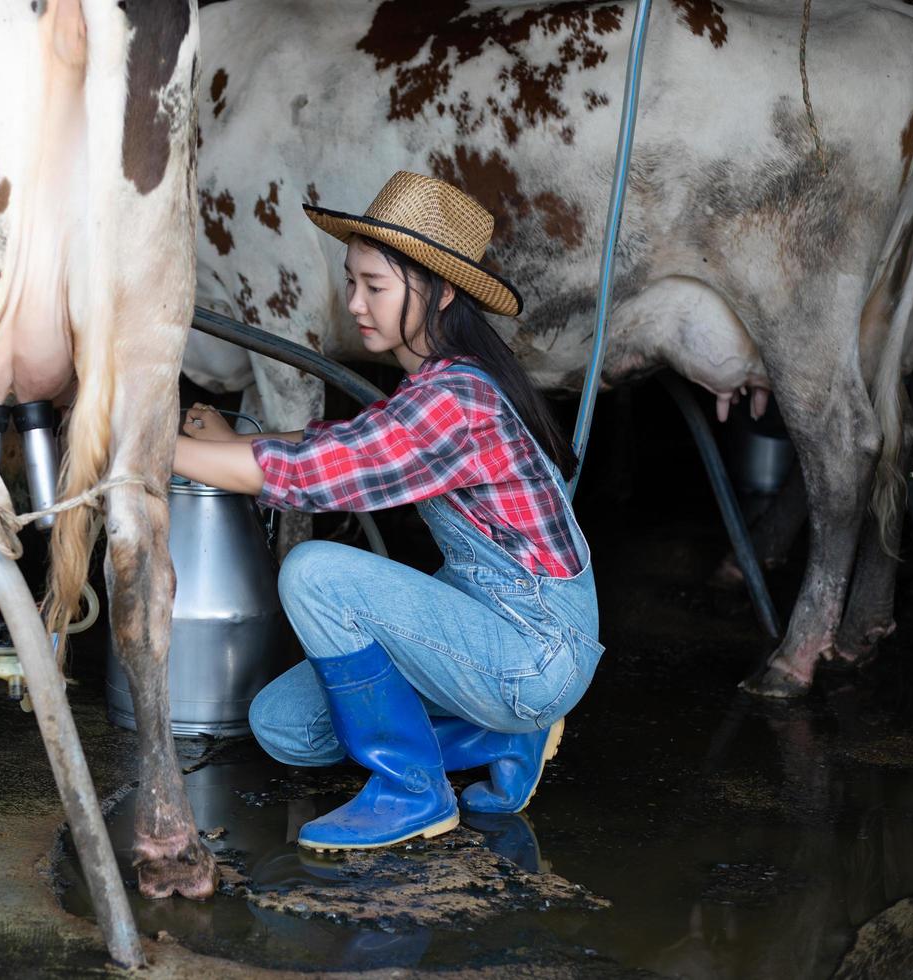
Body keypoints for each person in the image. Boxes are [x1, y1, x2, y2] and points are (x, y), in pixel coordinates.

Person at [173, 171, 602, 852]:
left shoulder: (455, 398)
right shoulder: (435, 383)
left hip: (535, 646)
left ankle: (413, 792)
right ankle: (502, 733)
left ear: (441, 291)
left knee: (315, 572)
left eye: (375, 287)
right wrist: (233, 445)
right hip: (494, 629)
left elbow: (322, 475)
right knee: (284, 726)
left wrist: (147, 445)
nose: (355, 304)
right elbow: (342, 445)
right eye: (352, 283)